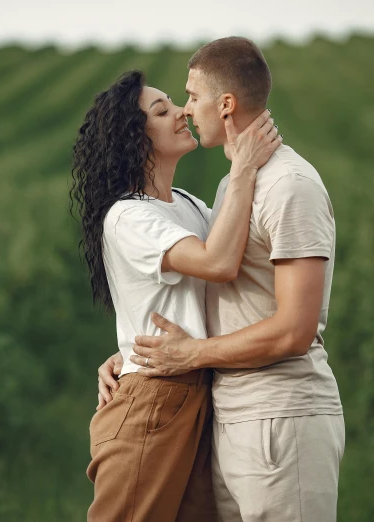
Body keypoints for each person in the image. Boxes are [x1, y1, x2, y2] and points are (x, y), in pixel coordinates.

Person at [97, 37, 345, 522]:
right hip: (227, 411)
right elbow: (205, 276)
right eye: (171, 105)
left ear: (226, 104)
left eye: (189, 97)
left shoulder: (287, 185)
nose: (186, 111)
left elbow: (295, 328)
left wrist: (188, 354)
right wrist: (128, 350)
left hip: (278, 413)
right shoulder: (229, 186)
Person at [70, 69, 280, 521]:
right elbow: (218, 263)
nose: (183, 111)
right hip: (155, 398)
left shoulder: (184, 203)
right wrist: (241, 166)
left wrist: (123, 350)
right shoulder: (127, 217)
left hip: (193, 389)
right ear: (135, 138)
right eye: (162, 111)